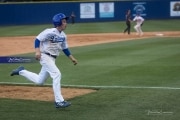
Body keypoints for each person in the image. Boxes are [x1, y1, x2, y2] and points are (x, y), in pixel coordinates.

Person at [10, 13, 78, 108]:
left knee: (39, 81)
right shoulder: (49, 32)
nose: (66, 23)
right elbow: (37, 39)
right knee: (57, 74)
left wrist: (72, 58)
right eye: (64, 21)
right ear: (58, 23)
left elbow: (65, 48)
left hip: (52, 59)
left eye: (65, 21)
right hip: (45, 56)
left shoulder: (63, 36)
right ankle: (59, 101)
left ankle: (21, 71)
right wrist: (37, 51)